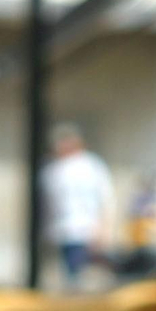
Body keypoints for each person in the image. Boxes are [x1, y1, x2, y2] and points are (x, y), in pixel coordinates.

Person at [40, 123, 113, 289]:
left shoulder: (92, 166)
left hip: (86, 229)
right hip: (61, 230)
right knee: (67, 275)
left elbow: (105, 198)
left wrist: (103, 227)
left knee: (83, 274)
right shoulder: (52, 169)